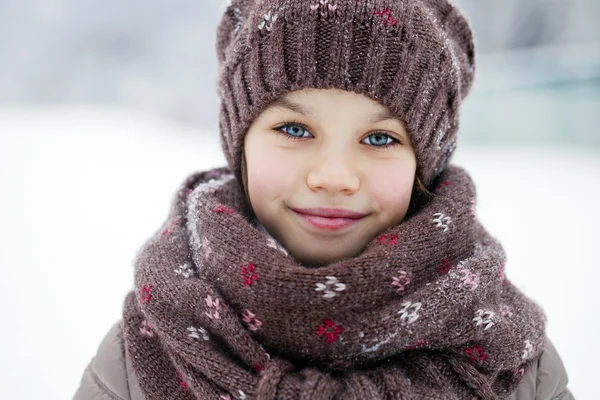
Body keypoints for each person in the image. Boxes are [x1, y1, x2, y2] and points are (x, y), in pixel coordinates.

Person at [74, 0, 573, 399]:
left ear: (425, 163)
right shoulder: (146, 349)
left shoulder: (508, 357)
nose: (334, 177)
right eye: (294, 128)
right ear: (239, 144)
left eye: (379, 139)